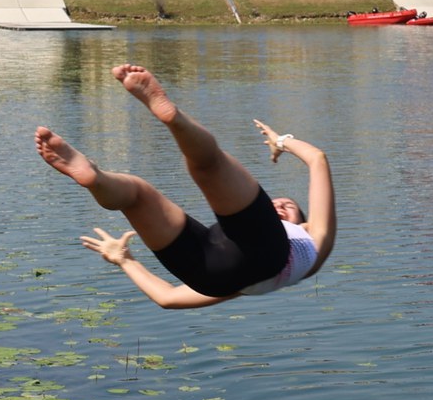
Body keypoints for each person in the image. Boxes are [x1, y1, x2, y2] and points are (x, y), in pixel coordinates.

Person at [37, 64, 335, 308]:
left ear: (303, 223)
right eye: (279, 203)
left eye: (289, 207)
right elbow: (166, 298)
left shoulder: (314, 238)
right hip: (214, 270)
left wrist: (123, 258)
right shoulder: (253, 281)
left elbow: (317, 159)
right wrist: (124, 262)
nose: (279, 205)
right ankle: (97, 178)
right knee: (137, 194)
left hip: (233, 265)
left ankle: (174, 117)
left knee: (210, 166)